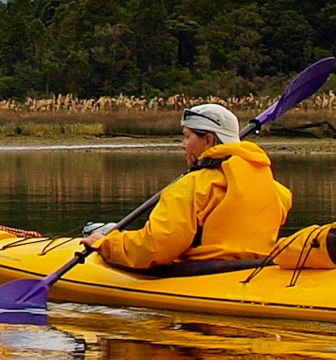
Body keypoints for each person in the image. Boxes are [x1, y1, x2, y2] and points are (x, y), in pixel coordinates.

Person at [91, 103, 294, 271]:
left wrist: (107, 244)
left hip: (205, 275)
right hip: (258, 270)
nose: (183, 144)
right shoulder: (277, 191)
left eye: (187, 137)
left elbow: (155, 247)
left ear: (208, 140)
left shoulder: (191, 187)